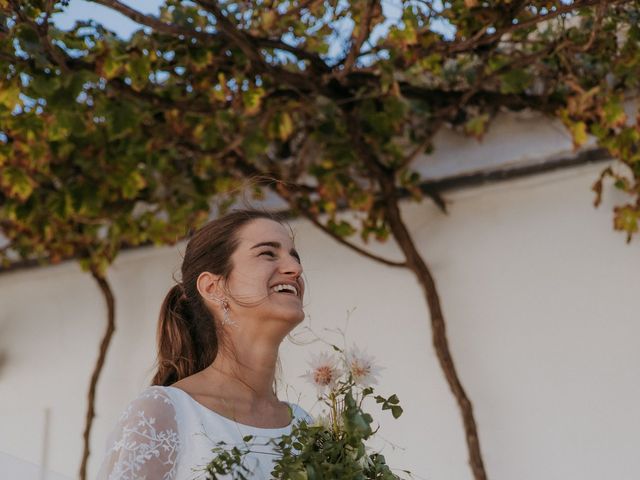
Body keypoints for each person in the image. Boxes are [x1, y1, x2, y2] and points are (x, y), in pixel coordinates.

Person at [97, 210, 311, 480]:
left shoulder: (305, 426)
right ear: (212, 288)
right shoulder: (165, 412)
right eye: (267, 253)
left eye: (295, 256)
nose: (296, 268)